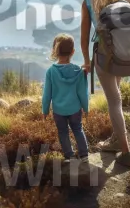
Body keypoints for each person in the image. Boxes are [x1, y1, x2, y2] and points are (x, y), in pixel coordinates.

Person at [81, 0, 130, 167]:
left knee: (114, 100)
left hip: (103, 55)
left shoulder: (89, 2)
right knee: (117, 96)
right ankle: (116, 139)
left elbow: (84, 37)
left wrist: (87, 61)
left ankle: (125, 150)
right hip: (124, 53)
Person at [42, 33, 90, 163]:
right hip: (75, 109)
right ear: (73, 52)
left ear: (55, 51)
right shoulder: (78, 71)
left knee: (63, 132)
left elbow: (47, 94)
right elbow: (82, 93)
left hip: (59, 110)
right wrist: (86, 108)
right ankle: (84, 154)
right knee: (78, 129)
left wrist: (45, 110)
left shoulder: (51, 72)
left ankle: (70, 156)